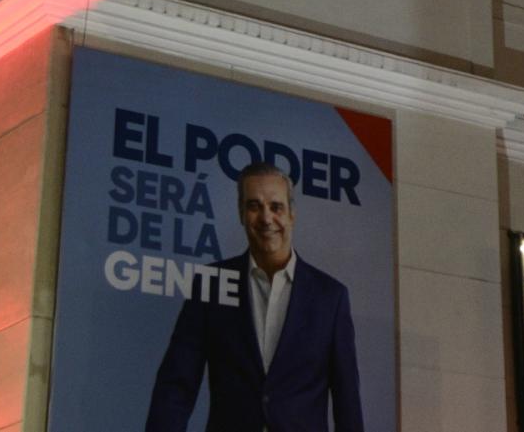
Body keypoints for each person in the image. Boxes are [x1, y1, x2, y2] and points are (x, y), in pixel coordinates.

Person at [146, 162, 364, 432]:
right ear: (241, 213)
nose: (266, 218)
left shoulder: (331, 297)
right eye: (254, 206)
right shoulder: (211, 284)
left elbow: (347, 402)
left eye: (276, 207)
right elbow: (176, 387)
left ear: (292, 214)